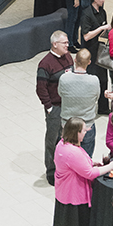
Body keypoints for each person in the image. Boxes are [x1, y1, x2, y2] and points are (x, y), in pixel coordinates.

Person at [54, 117, 113, 226]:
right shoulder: (72, 152)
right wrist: (110, 166)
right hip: (74, 197)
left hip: (64, 195)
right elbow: (90, 174)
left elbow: (82, 164)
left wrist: (92, 163)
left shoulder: (62, 144)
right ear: (76, 133)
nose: (86, 133)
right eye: (84, 130)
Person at [37, 29, 74, 185]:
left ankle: (66, 167)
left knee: (68, 139)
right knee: (53, 140)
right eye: (64, 43)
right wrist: (49, 107)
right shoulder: (45, 64)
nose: (68, 45)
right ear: (55, 44)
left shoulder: (68, 57)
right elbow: (40, 88)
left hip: (69, 107)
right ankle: (51, 171)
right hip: (55, 108)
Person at [59, 49, 101, 159]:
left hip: (67, 125)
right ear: (89, 62)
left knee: (68, 158)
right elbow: (97, 97)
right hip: (87, 125)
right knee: (85, 159)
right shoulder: (94, 80)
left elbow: (60, 94)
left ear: (74, 60)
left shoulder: (64, 78)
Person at [80, 0, 110, 111]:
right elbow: (86, 36)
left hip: (101, 51)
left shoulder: (102, 12)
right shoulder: (86, 14)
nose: (104, 0)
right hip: (90, 52)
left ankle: (103, 107)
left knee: (103, 79)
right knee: (91, 80)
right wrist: (101, 29)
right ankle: (88, 107)